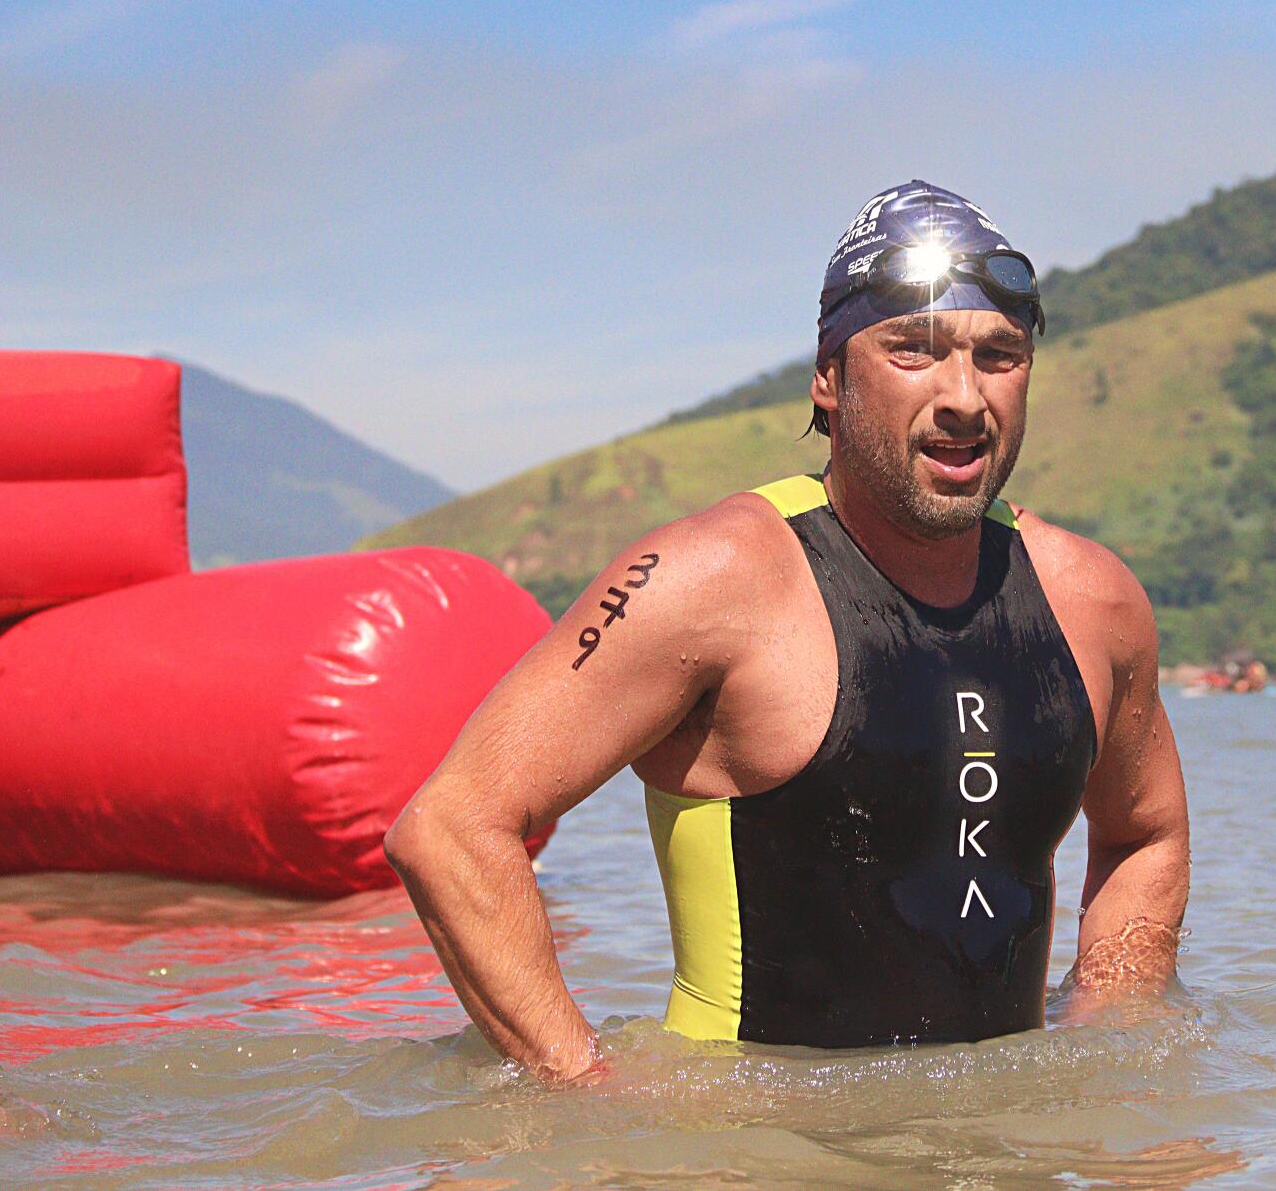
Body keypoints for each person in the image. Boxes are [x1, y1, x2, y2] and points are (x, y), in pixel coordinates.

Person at [386, 179, 1191, 1080]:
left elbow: (1142, 834)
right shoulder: (711, 581)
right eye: (914, 351)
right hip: (760, 1158)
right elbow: (453, 826)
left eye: (998, 355)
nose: (965, 395)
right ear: (830, 375)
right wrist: (591, 1102)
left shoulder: (1093, 600)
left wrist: (1112, 1046)